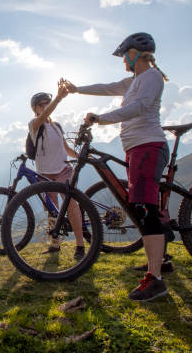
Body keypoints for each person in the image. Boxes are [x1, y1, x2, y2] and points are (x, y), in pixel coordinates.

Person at [61, 32, 171, 301]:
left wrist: (101, 118)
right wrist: (77, 89)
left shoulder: (152, 77)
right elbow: (108, 87)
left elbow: (138, 108)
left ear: (135, 53)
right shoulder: (134, 80)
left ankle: (155, 279)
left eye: (124, 55)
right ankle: (160, 260)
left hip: (148, 145)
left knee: (144, 207)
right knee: (142, 205)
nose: (122, 60)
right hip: (136, 149)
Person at [29, 83, 85, 260]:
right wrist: (58, 99)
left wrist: (80, 156)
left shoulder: (57, 126)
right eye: (41, 104)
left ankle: (80, 245)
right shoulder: (34, 124)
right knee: (51, 210)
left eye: (47, 102)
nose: (45, 106)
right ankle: (55, 244)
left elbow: (66, 148)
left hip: (63, 170)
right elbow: (45, 115)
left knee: (72, 206)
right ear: (35, 109)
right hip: (44, 173)